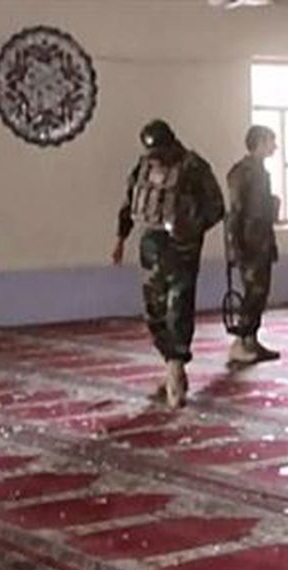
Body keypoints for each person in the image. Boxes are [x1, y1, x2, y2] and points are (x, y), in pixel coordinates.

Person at [112, 120, 225, 407]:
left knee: (179, 306)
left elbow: (216, 207)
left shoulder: (193, 167)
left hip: (182, 247)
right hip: (151, 243)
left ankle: (176, 367)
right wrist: (120, 239)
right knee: (154, 310)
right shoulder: (144, 165)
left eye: (161, 150)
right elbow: (129, 201)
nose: (157, 157)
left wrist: (191, 227)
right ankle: (170, 362)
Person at [225, 125, 281, 364]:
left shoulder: (260, 172)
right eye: (270, 141)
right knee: (253, 292)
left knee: (260, 291)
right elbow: (236, 211)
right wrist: (235, 246)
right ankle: (241, 341)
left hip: (261, 240)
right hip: (249, 242)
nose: (274, 146)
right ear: (259, 142)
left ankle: (251, 339)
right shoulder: (243, 172)